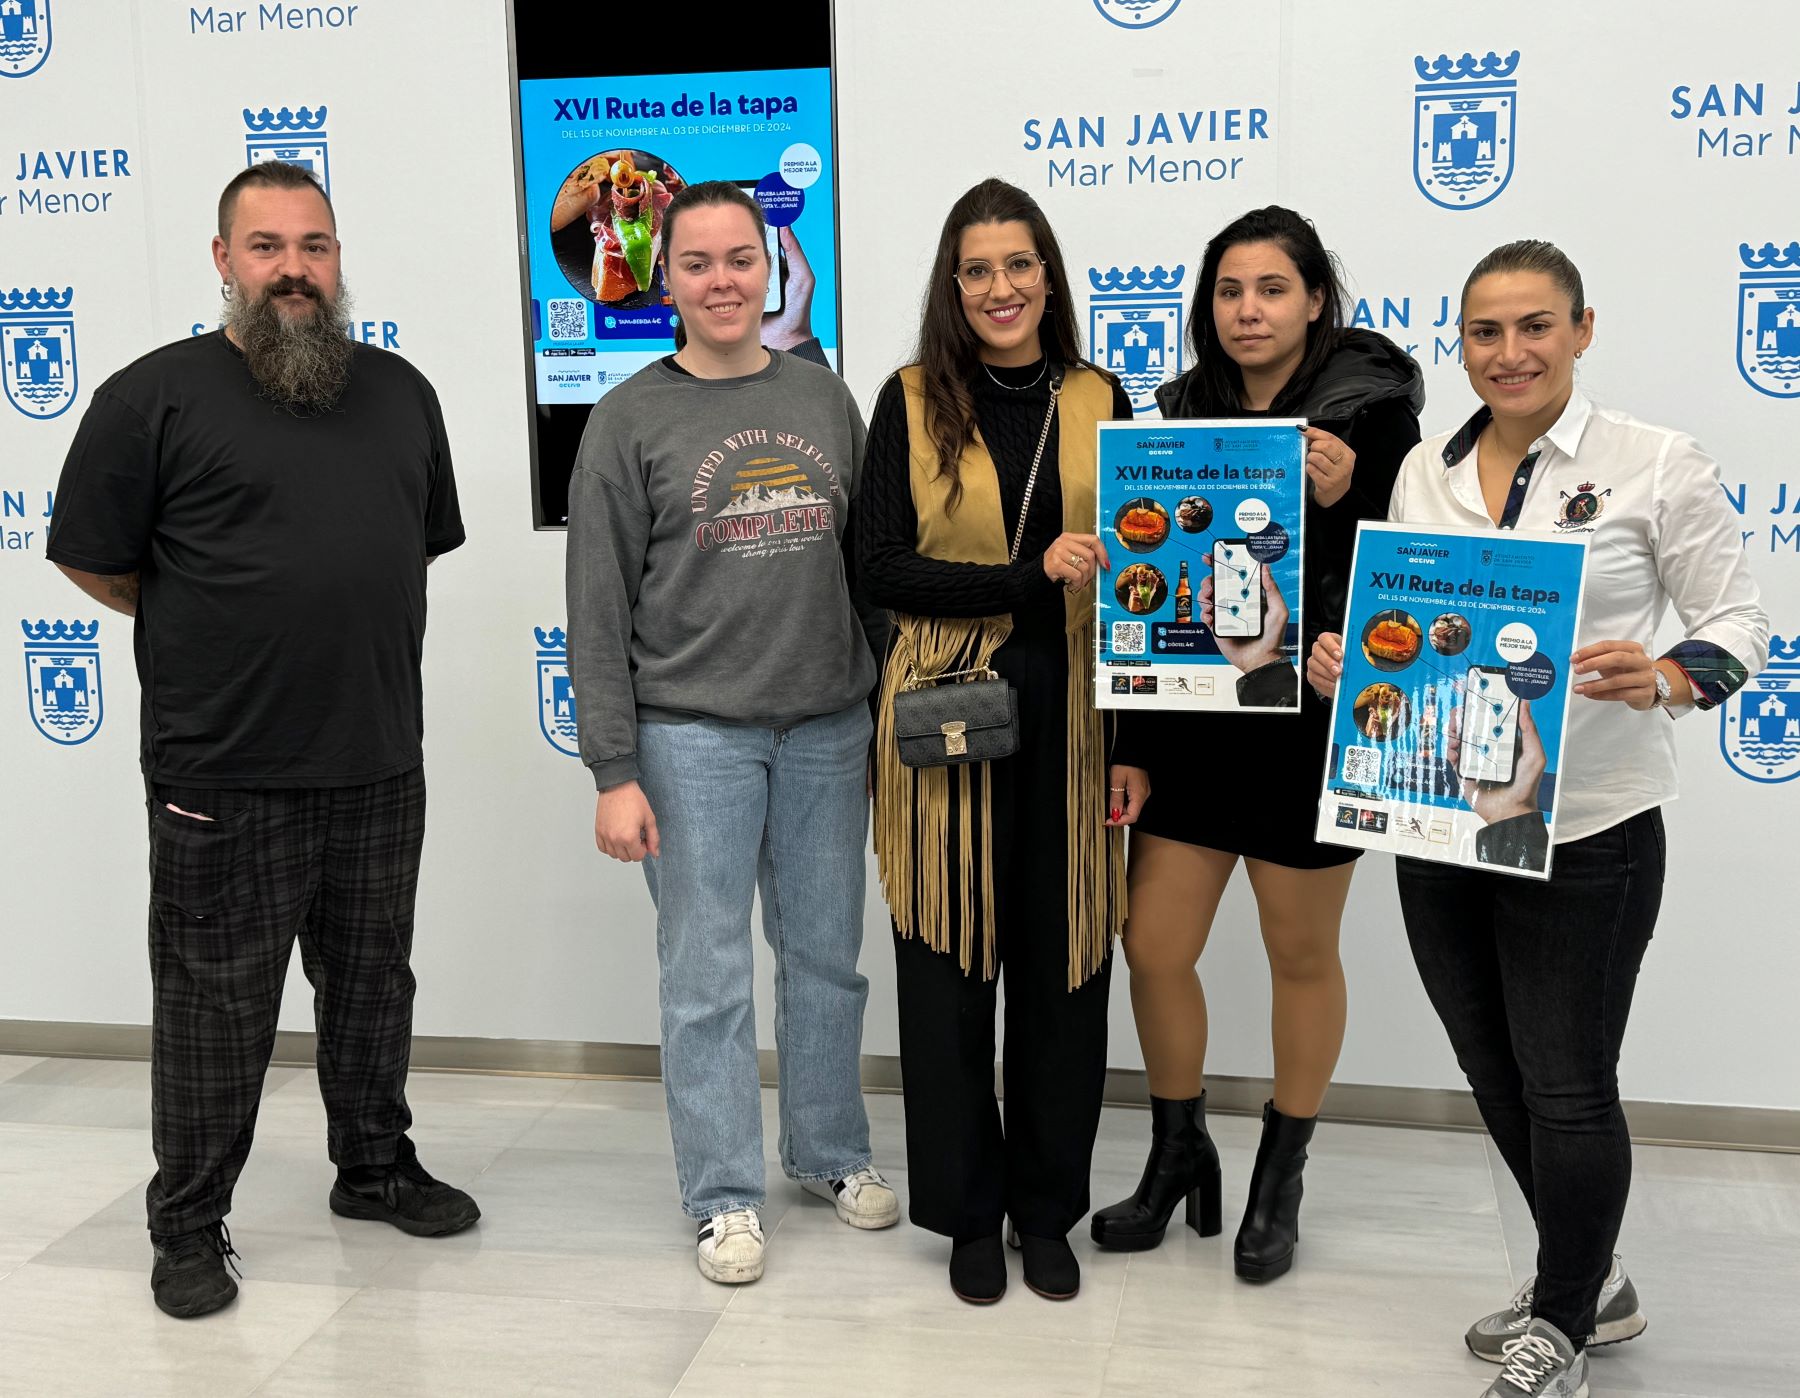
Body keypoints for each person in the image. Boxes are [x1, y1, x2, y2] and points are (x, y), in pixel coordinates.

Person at [1308, 240, 1766, 1398]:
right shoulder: (1426, 469)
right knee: (1494, 1071)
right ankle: (1589, 1278)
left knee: (1567, 1082)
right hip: (1438, 819)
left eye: (1535, 327)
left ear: (1582, 330)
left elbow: (1741, 625)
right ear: (1460, 343)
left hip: (1589, 828)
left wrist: (1671, 676)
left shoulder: (1653, 462)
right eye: (1486, 332)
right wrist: (1349, 663)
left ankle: (1561, 1320)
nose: (1509, 353)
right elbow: (1411, 627)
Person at [44, 160, 478, 1321]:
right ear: (224, 260)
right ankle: (187, 1226)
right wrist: (203, 616)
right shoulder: (150, 398)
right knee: (213, 1007)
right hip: (221, 770)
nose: (294, 268)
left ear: (338, 259)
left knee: (373, 984)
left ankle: (373, 1166)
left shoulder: (402, 394)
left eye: (314, 245)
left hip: (377, 757)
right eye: (268, 246)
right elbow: (91, 557)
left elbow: (405, 545)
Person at [565, 180, 897, 1288]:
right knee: (706, 977)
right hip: (690, 738)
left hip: (827, 728)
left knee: (827, 961)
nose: (722, 282)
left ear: (775, 271)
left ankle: (828, 1150)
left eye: (741, 260)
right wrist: (614, 768)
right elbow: (597, 606)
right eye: (697, 263)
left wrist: (883, 709)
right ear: (664, 279)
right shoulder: (627, 419)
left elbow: (867, 570)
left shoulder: (822, 397)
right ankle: (722, 1195)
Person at [1094, 207, 1422, 1281]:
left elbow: (1421, 581)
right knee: (1153, 948)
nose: (1249, 310)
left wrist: (1350, 495)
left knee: (1300, 954)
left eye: (1273, 289)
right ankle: (1178, 1150)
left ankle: (1282, 1173)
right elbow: (1147, 594)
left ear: (1316, 299)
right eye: (1230, 291)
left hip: (1311, 730)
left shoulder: (1376, 412)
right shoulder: (1178, 412)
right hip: (1193, 725)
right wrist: (1129, 740)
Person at [858, 178, 1148, 1305]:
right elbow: (879, 566)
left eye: (1018, 264)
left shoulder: (1104, 397)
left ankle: (1045, 1207)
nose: (999, 288)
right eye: (976, 269)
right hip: (947, 703)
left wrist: (1134, 743)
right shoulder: (910, 398)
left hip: (1079, 706)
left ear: (1049, 277)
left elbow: (1149, 582)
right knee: (945, 966)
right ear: (953, 284)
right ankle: (969, 1214)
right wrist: (1023, 580)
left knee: (1066, 962)